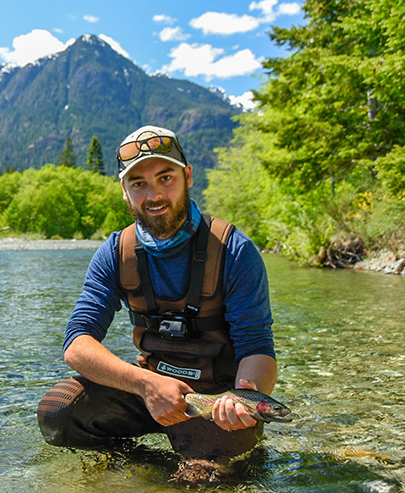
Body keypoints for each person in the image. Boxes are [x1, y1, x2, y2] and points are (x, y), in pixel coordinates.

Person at [37, 125, 277, 460]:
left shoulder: (234, 250)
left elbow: (258, 347)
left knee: (200, 480)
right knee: (58, 412)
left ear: (188, 176)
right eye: (139, 184)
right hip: (149, 390)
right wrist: (144, 384)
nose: (154, 195)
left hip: (217, 402)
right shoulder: (115, 253)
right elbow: (77, 344)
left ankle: (184, 464)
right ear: (124, 190)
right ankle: (131, 466)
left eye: (166, 178)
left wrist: (245, 399)